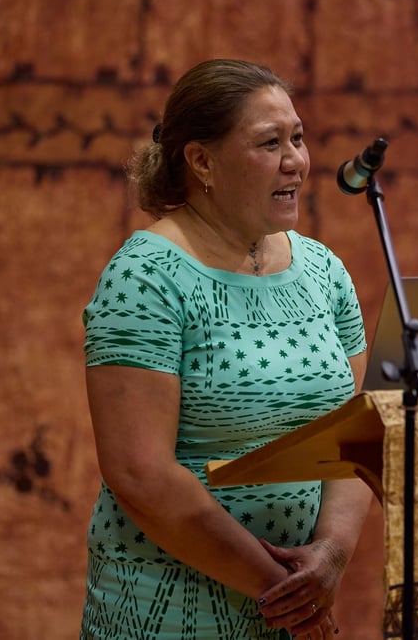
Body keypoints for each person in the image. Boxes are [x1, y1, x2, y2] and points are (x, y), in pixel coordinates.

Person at [79, 59, 374, 640]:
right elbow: (140, 474)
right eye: (270, 143)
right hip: (167, 613)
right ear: (202, 162)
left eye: (297, 138)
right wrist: (282, 591)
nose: (296, 160)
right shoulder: (145, 277)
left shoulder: (323, 271)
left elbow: (356, 432)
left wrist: (332, 554)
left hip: (296, 605)